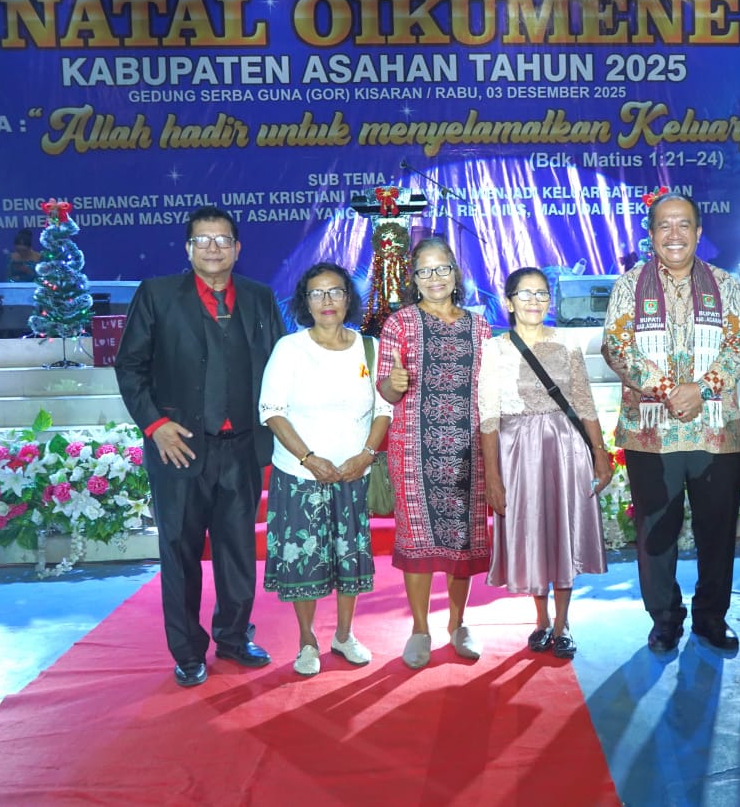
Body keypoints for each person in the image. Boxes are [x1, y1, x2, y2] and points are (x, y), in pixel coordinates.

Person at [115, 206, 285, 688]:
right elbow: (130, 366)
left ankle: (234, 637)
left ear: (237, 248)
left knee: (238, 551)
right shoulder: (157, 295)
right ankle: (188, 651)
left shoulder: (259, 297)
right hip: (179, 446)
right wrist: (155, 425)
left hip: (243, 447)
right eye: (203, 240)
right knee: (180, 552)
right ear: (188, 248)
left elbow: (280, 365)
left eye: (222, 240)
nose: (213, 248)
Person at [600, 192, 740, 654]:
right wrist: (670, 390)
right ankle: (664, 619)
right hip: (652, 434)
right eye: (664, 225)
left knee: (717, 532)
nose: (674, 234)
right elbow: (616, 347)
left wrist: (701, 388)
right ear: (651, 234)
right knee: (656, 533)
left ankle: (711, 617)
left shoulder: (725, 284)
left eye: (683, 224)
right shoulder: (629, 285)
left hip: (714, 432)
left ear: (698, 232)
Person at [259, 263, 392, 676]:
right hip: (300, 476)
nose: (327, 301)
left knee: (349, 557)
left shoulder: (369, 348)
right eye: (317, 293)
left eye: (335, 291)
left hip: (354, 474)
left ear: (348, 298)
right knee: (305, 561)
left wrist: (366, 455)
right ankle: (307, 641)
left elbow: (384, 408)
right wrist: (309, 459)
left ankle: (344, 635)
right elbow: (271, 411)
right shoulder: (290, 349)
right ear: (305, 302)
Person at [479, 267, 613, 659]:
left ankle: (562, 623)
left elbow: (584, 403)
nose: (534, 301)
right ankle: (540, 619)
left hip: (565, 451)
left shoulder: (566, 344)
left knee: (563, 533)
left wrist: (600, 455)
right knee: (533, 534)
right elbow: (488, 417)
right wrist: (492, 477)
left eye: (541, 294)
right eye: (525, 293)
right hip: (518, 454)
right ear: (509, 302)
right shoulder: (494, 350)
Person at [376, 237, 491, 669]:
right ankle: (420, 629)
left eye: (442, 268)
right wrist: (394, 385)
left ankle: (458, 625)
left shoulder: (479, 326)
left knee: (462, 542)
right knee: (418, 542)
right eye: (424, 271)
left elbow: (489, 388)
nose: (434, 278)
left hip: (467, 450)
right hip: (413, 451)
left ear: (455, 274)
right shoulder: (399, 324)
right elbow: (385, 388)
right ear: (414, 278)